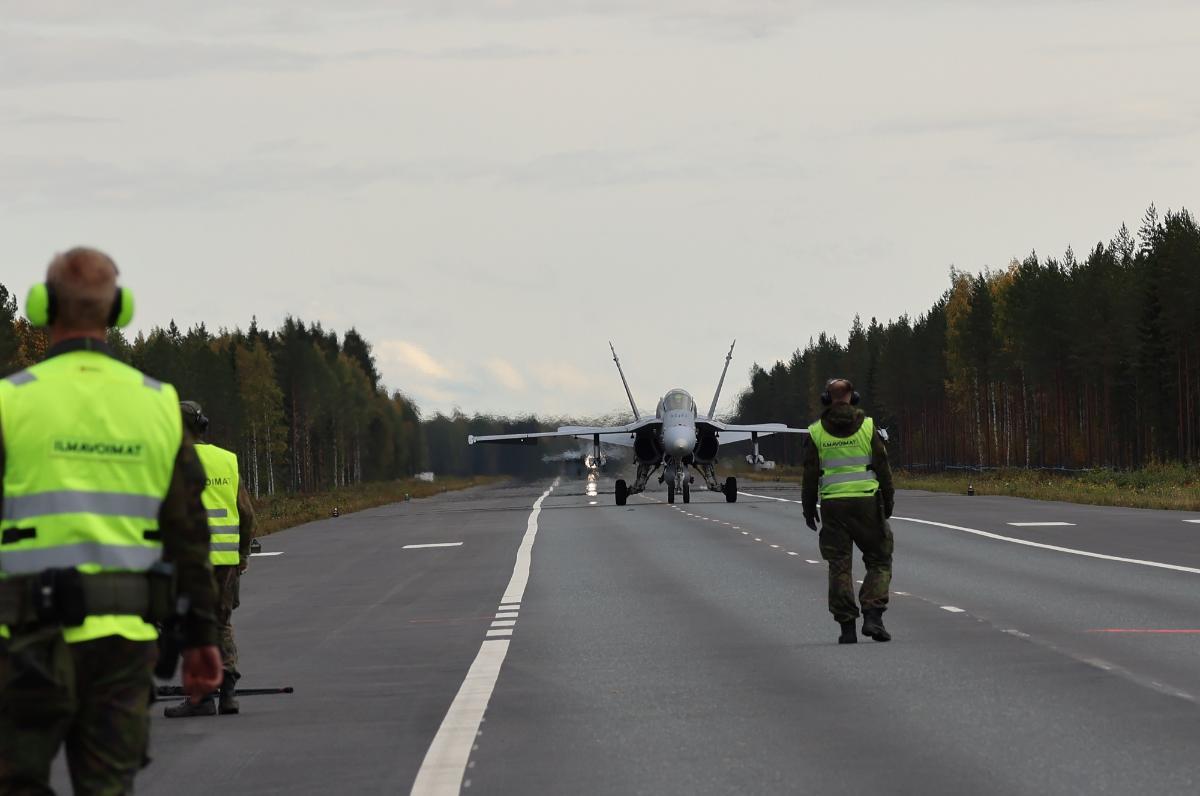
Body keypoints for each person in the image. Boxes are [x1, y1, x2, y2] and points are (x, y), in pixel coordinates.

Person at [0, 247, 221, 793]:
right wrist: (200, 637)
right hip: (125, 645)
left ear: (42, 306)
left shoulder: (9, 403)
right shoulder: (157, 405)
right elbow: (190, 536)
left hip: (26, 643)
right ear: (117, 309)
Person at [165, 402, 254, 718]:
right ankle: (228, 694)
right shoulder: (227, 460)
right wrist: (242, 554)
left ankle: (202, 698)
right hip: (226, 560)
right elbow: (246, 512)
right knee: (222, 623)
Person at [802, 378, 895, 644]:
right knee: (879, 559)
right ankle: (873, 614)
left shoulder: (816, 432)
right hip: (867, 503)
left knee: (839, 565)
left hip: (833, 506)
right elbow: (883, 467)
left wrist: (808, 510)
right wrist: (888, 501)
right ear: (853, 397)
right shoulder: (867, 428)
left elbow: (809, 476)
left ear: (826, 399)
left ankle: (847, 629)